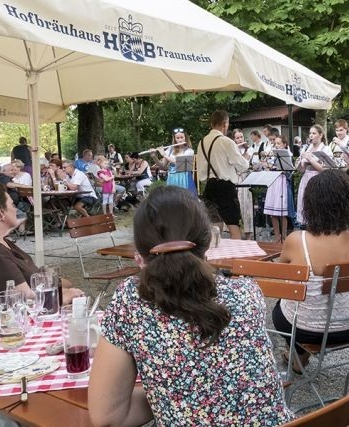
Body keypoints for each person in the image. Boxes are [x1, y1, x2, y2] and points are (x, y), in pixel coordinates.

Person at [88, 186, 292, 426]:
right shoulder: (247, 292)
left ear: (140, 254)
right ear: (208, 243)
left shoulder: (131, 302)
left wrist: (171, 391)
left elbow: (108, 417)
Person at [272, 170, 349, 372]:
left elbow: (280, 274)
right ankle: (299, 357)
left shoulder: (297, 240)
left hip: (301, 329)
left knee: (284, 305)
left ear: (310, 205)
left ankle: (297, 356)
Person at [0, 183, 85, 310]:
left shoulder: (1, 242)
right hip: (18, 317)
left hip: (37, 308)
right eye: (13, 205)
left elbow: (38, 282)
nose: (16, 209)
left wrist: (62, 288)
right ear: (0, 212)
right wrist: (65, 295)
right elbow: (25, 297)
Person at [196, 110, 249, 240]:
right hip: (226, 187)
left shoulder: (201, 142)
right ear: (225, 124)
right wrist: (246, 158)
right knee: (234, 227)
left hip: (209, 187)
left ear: (211, 123)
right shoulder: (226, 142)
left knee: (214, 229)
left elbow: (201, 171)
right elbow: (243, 166)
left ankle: (214, 252)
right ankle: (236, 253)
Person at [296, 124, 333, 225]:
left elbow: (324, 169)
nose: (311, 136)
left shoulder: (325, 149)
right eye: (310, 133)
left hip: (319, 180)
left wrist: (310, 159)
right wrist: (298, 164)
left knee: (317, 207)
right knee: (306, 206)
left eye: (314, 133)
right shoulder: (307, 148)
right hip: (306, 179)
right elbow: (302, 170)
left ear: (320, 135)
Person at [151, 128, 197, 198]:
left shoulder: (189, 151)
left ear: (185, 138)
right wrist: (154, 157)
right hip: (172, 178)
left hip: (184, 179)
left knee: (185, 199)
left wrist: (164, 155)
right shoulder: (170, 150)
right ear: (174, 139)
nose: (180, 140)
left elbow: (181, 163)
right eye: (177, 138)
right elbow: (162, 166)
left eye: (182, 137)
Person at [264, 136, 292, 243]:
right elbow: (269, 168)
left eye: (279, 143)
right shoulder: (273, 155)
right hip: (273, 182)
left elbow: (289, 170)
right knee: (272, 212)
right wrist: (266, 165)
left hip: (281, 182)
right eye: (275, 143)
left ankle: (284, 237)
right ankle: (277, 236)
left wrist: (276, 166)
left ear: (284, 144)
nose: (276, 145)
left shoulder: (287, 154)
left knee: (282, 212)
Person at [232, 129, 254, 240]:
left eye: (241, 137)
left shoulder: (249, 149)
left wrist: (241, 150)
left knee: (246, 206)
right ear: (234, 140)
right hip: (234, 179)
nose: (240, 139)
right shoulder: (232, 150)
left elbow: (243, 163)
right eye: (237, 138)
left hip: (245, 178)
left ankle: (248, 233)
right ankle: (236, 234)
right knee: (235, 206)